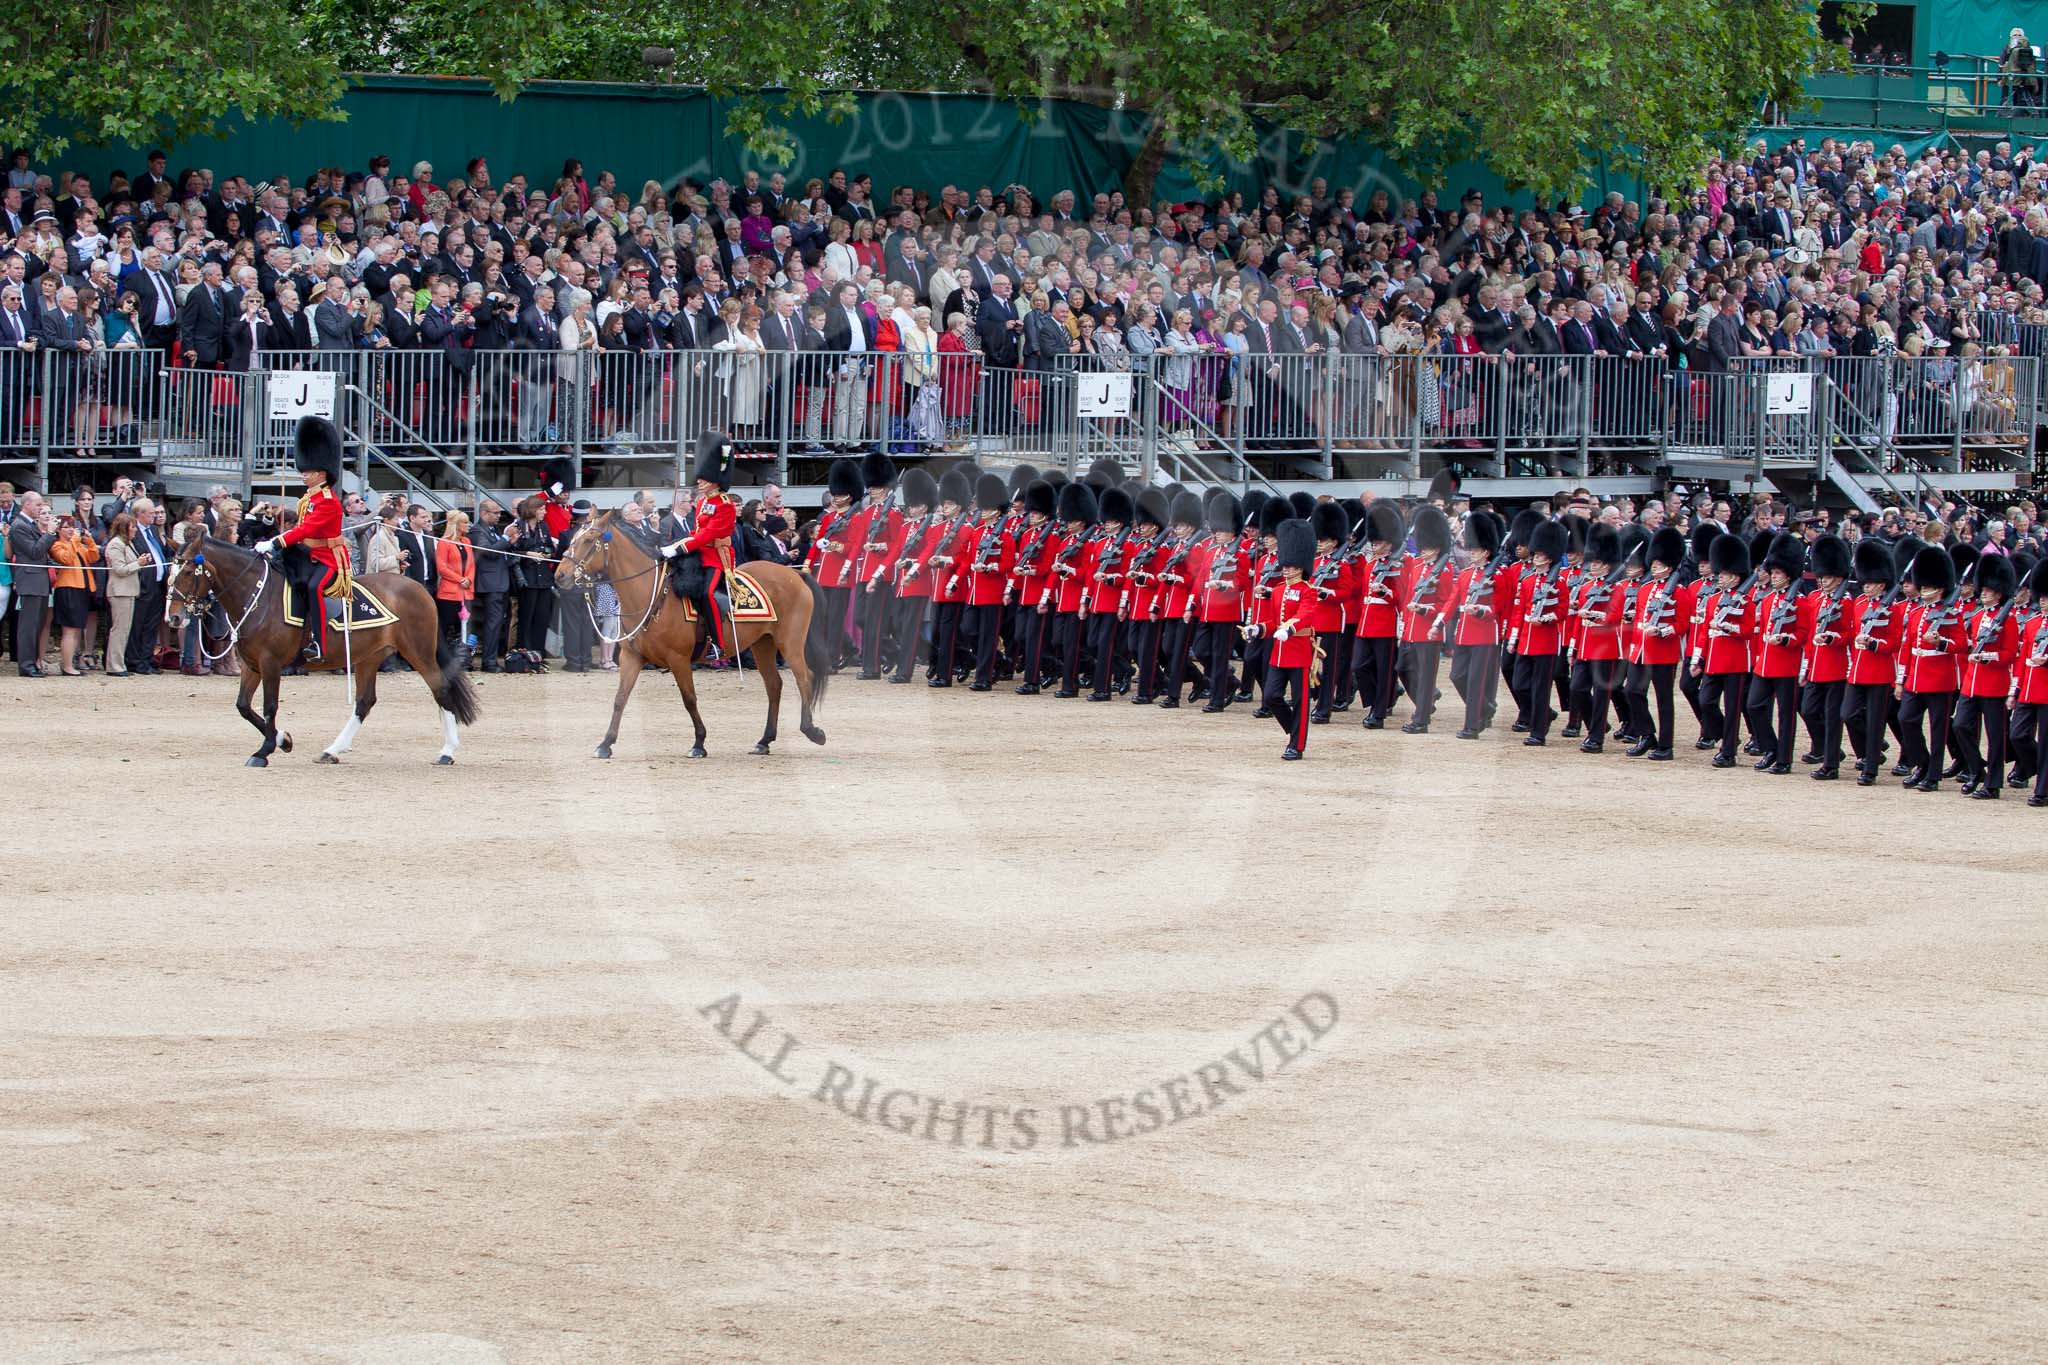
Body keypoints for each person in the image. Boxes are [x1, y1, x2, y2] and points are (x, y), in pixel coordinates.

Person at [251, 416, 350, 664]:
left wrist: (274, 542)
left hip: (328, 558)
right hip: (307, 554)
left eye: (308, 472)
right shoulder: (308, 498)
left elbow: (305, 530)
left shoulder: (328, 501)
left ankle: (318, 642)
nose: (304, 475)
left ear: (321, 474)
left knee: (314, 587)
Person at [657, 430, 742, 660]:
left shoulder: (726, 505)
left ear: (716, 477)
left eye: (703, 477)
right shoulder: (703, 501)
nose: (699, 480)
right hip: (698, 554)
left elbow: (709, 535)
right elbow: (697, 532)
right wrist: (679, 546)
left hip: (717, 556)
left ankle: (717, 643)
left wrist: (679, 547)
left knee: (707, 594)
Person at [1265, 517, 1319, 760]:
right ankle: (1293, 731)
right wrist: (1258, 629)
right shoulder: (1277, 591)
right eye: (1284, 564)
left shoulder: (1309, 591)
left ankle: (1296, 745)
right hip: (1278, 652)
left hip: (1298, 652)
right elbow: (1272, 622)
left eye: (1289, 565)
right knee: (1271, 696)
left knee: (1301, 702)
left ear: (1299, 567)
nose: (1285, 568)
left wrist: (1289, 628)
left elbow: (1305, 615)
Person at [7, 490, 55, 676]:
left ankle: (33, 663)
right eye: (37, 505)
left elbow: (41, 555)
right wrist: (49, 533)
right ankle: (26, 665)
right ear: (26, 504)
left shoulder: (30, 524)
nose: (40, 508)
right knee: (28, 625)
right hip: (30, 580)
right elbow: (34, 551)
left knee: (38, 624)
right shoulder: (19, 526)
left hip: (40, 580)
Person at [46, 513, 100, 675]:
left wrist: (89, 541)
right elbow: (67, 559)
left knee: (77, 629)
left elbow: (93, 556)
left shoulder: (76, 545)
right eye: (67, 527)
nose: (71, 530)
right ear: (59, 530)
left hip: (81, 588)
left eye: (72, 526)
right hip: (68, 589)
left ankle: (70, 663)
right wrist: (75, 541)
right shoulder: (57, 545)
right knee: (69, 630)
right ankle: (67, 665)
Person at [101, 511, 140, 677]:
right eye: (133, 526)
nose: (135, 530)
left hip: (129, 591)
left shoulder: (128, 543)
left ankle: (119, 662)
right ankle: (114, 665)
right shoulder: (115, 544)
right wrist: (138, 563)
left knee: (125, 629)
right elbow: (120, 569)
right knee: (119, 629)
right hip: (119, 591)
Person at [434, 509, 476, 647]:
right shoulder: (444, 542)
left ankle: (462, 656)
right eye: (464, 522)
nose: (468, 524)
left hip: (466, 591)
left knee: (464, 627)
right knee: (445, 626)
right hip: (449, 593)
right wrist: (460, 579)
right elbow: (442, 568)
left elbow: (471, 565)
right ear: (456, 525)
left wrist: (468, 579)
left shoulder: (467, 541)